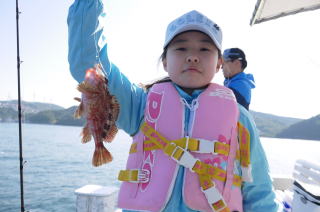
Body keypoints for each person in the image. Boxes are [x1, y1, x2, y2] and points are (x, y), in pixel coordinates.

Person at [68, 1, 281, 211]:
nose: (192, 56)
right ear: (165, 62)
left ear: (218, 64)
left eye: (205, 49)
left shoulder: (239, 118)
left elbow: (259, 191)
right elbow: (88, 63)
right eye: (181, 48)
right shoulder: (139, 105)